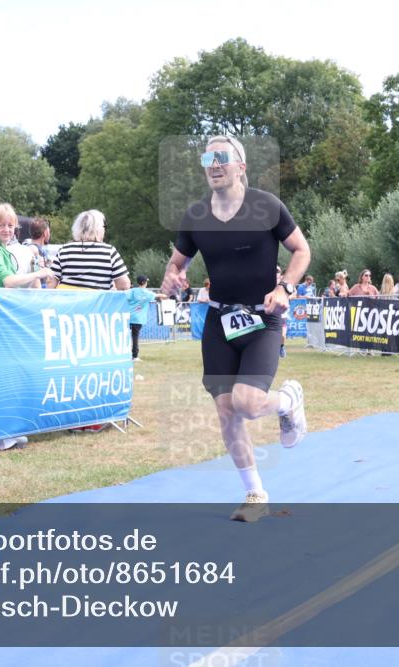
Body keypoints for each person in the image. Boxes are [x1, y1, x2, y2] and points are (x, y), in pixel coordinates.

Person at [160, 134, 310, 523]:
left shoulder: (266, 206)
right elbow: (176, 264)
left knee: (247, 402)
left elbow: (301, 250)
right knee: (227, 410)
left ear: (241, 166)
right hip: (218, 319)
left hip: (263, 316)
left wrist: (285, 287)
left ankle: (288, 402)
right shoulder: (195, 216)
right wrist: (172, 277)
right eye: (207, 157)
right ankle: (255, 492)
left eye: (222, 157)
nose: (213, 164)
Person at [48, 209, 130, 290]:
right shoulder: (109, 252)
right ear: (99, 229)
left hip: (67, 302)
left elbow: (51, 283)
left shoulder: (65, 250)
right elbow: (124, 285)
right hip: (97, 303)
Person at [0, 204, 52, 288]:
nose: (6, 229)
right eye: (1, 225)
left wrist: (34, 270)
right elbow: (7, 281)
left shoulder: (1, 248)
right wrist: (37, 274)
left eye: (10, 225)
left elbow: (21, 285)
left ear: (15, 227)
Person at [127, 275, 166, 361]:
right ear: (144, 283)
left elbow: (124, 296)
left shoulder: (132, 291)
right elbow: (157, 295)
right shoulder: (147, 293)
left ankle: (124, 355)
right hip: (138, 319)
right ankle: (135, 356)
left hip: (128, 317)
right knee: (135, 337)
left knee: (125, 336)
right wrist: (165, 295)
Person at [21, 216, 52, 287]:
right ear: (45, 233)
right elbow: (36, 274)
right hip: (39, 292)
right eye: (49, 232)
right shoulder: (34, 250)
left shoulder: (31, 247)